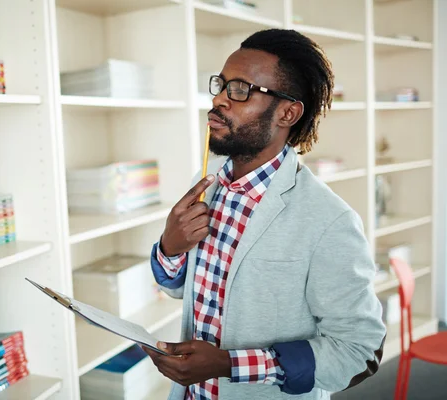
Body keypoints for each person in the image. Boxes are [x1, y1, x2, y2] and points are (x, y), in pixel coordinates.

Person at [142, 29, 387, 400]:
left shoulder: (329, 221)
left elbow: (359, 350)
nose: (219, 101)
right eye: (221, 86)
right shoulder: (207, 182)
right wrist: (170, 248)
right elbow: (185, 292)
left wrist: (227, 364)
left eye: (240, 90)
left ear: (287, 112)